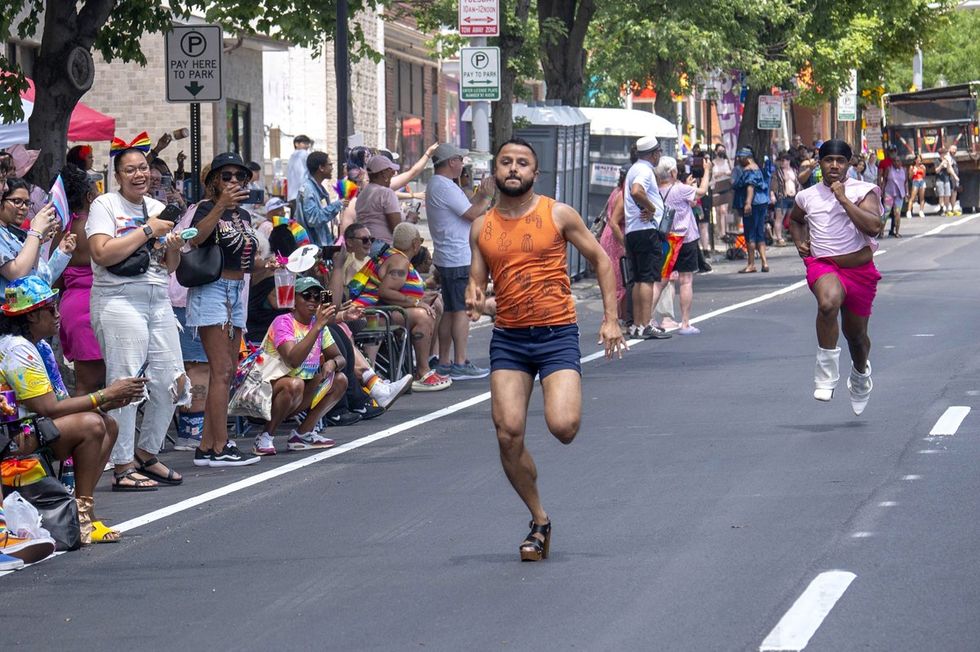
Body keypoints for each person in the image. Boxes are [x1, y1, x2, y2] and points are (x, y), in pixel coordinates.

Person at [465, 138, 626, 561]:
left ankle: (541, 518)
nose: (513, 169)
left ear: (535, 174)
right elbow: (477, 283)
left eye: (522, 163)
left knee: (564, 427)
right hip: (510, 339)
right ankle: (539, 521)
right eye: (506, 162)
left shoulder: (557, 213)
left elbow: (602, 260)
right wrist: (475, 297)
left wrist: (611, 319)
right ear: (495, 172)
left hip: (556, 334)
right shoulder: (481, 227)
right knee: (507, 432)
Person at [0, 276, 148, 543]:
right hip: (10, 439)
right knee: (91, 425)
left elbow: (59, 401)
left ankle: (83, 511)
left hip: (29, 428)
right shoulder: (18, 348)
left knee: (107, 423)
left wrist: (107, 401)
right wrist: (105, 394)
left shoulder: (38, 345)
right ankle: (81, 518)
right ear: (32, 316)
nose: (58, 314)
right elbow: (49, 407)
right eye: (51, 309)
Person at [86, 140, 187, 490]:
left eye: (143, 168)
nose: (139, 174)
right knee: (125, 380)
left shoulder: (159, 207)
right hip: (119, 298)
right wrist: (146, 230)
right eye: (130, 169)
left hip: (158, 297)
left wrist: (172, 248)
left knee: (172, 379)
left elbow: (170, 266)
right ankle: (122, 464)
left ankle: (147, 452)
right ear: (117, 176)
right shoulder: (106, 205)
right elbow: (100, 253)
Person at [787, 139, 881, 416]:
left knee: (856, 336)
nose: (835, 166)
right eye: (829, 160)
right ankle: (826, 375)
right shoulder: (807, 196)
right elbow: (795, 220)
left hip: (859, 270)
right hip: (823, 265)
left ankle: (860, 374)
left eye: (841, 161)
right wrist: (799, 242)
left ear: (850, 164)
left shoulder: (864, 191)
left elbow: (874, 227)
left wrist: (842, 198)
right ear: (820, 162)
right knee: (828, 303)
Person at [186, 152, 261, 468]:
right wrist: (218, 206)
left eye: (239, 176)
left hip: (236, 291)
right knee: (221, 370)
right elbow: (196, 240)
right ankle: (220, 446)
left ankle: (207, 446)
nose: (233, 181)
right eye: (226, 175)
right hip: (212, 291)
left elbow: (241, 256)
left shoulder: (243, 215)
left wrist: (266, 265)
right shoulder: (204, 209)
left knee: (228, 371)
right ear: (214, 181)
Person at [251, 276, 350, 454]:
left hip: (299, 392)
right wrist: (318, 326)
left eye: (317, 297)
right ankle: (265, 436)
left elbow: (341, 358)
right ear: (293, 301)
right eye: (306, 295)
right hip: (266, 393)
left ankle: (303, 434)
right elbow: (293, 359)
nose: (313, 300)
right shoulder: (283, 322)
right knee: (294, 383)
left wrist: (333, 363)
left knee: (340, 380)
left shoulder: (319, 326)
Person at [351, 222, 449, 391]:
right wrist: (416, 303)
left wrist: (423, 298)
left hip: (376, 312)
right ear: (415, 244)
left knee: (433, 304)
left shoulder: (394, 256)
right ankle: (422, 372)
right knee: (422, 316)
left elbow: (398, 291)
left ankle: (426, 362)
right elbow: (386, 292)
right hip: (370, 315)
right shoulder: (399, 261)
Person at [425, 143, 495, 380]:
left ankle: (445, 360)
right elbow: (472, 213)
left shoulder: (440, 185)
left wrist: (478, 195)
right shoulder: (444, 186)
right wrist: (486, 195)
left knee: (450, 310)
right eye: (460, 159)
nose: (462, 164)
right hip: (457, 256)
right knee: (461, 311)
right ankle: (460, 361)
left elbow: (466, 207)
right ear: (451, 161)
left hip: (449, 256)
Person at [51, 165, 105, 396]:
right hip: (94, 306)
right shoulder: (97, 227)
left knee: (86, 385)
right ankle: (88, 431)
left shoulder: (62, 229)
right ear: (89, 196)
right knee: (94, 387)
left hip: (72, 305)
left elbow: (57, 278)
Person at [623, 135, 671, 340]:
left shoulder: (634, 169)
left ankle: (636, 324)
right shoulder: (644, 170)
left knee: (638, 279)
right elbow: (637, 191)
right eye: (659, 152)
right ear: (653, 154)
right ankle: (644, 324)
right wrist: (651, 208)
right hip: (646, 229)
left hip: (634, 230)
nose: (660, 155)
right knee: (647, 279)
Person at [656, 155, 711, 334]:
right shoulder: (680, 189)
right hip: (685, 238)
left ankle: (645, 321)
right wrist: (707, 170)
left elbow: (691, 201)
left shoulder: (656, 190)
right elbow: (701, 192)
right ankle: (685, 323)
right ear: (673, 172)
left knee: (660, 282)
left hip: (667, 239)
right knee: (686, 281)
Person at [0, 179, 71, 297]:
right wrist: (35, 232)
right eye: (17, 201)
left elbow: (35, 275)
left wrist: (40, 239)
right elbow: (17, 274)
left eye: (27, 203)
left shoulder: (12, 235)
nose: (23, 208)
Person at [599, 165, 629, 322]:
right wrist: (624, 244)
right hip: (616, 239)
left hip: (608, 237)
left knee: (616, 280)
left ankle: (620, 318)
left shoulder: (616, 191)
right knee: (620, 281)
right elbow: (614, 222)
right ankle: (612, 319)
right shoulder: (624, 195)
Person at [733, 147, 770, 273]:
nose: (739, 160)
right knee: (760, 232)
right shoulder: (757, 168)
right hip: (762, 202)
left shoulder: (749, 170)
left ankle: (751, 264)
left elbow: (750, 187)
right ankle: (764, 262)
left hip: (752, 204)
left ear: (747, 158)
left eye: (741, 157)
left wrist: (747, 203)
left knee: (750, 234)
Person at [297, 151, 345, 246]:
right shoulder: (308, 190)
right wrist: (337, 205)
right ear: (321, 168)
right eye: (330, 165)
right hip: (313, 248)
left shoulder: (318, 189)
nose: (332, 168)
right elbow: (313, 219)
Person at [355, 155, 403, 247]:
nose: (394, 173)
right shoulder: (386, 193)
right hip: (382, 248)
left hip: (364, 246)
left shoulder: (363, 193)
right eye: (391, 170)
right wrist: (410, 219)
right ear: (383, 173)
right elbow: (397, 230)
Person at [771, 153, 798, 246]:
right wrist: (772, 195)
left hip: (793, 197)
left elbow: (797, 183)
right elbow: (773, 184)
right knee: (779, 218)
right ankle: (779, 238)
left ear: (788, 161)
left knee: (792, 218)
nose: (782, 162)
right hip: (782, 197)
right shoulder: (777, 172)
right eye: (781, 160)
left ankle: (792, 236)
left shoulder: (794, 171)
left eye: (784, 160)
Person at [880, 148, 907, 238]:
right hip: (889, 193)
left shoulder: (904, 170)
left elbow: (905, 183)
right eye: (895, 161)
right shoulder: (889, 169)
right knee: (886, 213)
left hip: (899, 195)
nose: (896, 162)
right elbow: (884, 180)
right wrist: (882, 191)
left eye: (898, 161)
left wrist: (907, 193)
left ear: (900, 162)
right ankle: (881, 231)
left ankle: (897, 231)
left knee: (897, 213)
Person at [286, 134, 313, 208]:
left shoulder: (291, 157)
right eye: (304, 143)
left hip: (292, 194)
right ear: (296, 144)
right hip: (303, 192)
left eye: (308, 144)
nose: (307, 146)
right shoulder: (304, 154)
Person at [936, 145, 961, 216]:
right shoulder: (944, 159)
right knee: (943, 195)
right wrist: (942, 164)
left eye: (956, 150)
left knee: (951, 193)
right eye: (953, 149)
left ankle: (952, 209)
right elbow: (948, 169)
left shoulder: (951, 158)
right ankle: (945, 209)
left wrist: (956, 176)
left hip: (949, 179)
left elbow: (950, 168)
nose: (955, 151)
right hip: (946, 179)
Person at [908, 154, 926, 218]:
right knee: (912, 197)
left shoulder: (923, 167)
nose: (919, 161)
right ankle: (909, 211)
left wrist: (923, 170)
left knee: (922, 197)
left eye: (920, 159)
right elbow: (910, 177)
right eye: (917, 159)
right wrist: (913, 172)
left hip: (921, 181)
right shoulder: (912, 167)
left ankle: (921, 211)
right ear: (915, 160)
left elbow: (924, 176)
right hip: (915, 181)